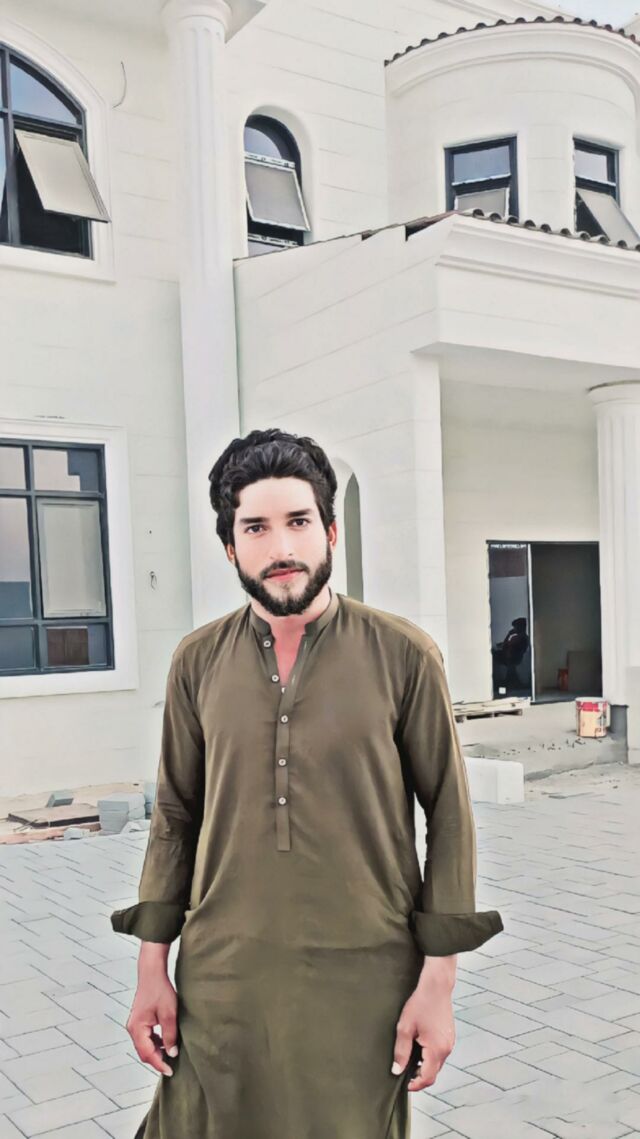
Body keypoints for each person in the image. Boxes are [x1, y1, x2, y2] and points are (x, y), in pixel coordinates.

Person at [111, 428, 504, 1139]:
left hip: (365, 983)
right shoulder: (198, 662)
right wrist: (151, 968)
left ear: (330, 531)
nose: (281, 546)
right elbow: (174, 816)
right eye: (255, 527)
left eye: (298, 521)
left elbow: (449, 813)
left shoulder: (403, 655)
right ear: (230, 547)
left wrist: (438, 983)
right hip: (221, 980)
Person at [492, 617, 530, 692]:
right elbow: (506, 645)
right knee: (511, 672)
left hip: (511, 657)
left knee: (493, 654)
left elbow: (505, 645)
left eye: (515, 626)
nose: (514, 628)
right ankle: (513, 683)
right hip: (511, 657)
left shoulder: (519, 637)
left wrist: (509, 634)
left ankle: (510, 684)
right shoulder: (522, 637)